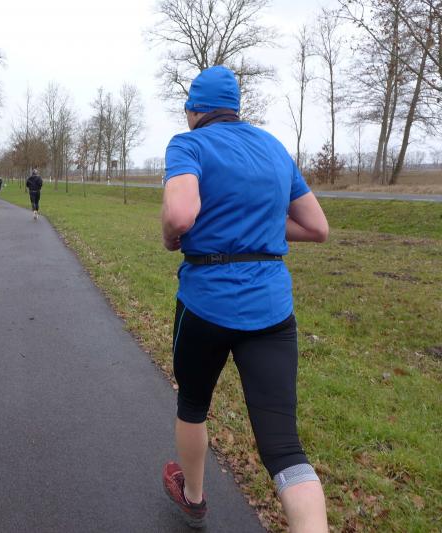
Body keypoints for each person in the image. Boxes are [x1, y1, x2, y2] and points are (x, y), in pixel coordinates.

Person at [159, 66, 329, 532]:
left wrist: (170, 236)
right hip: (272, 310)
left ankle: (194, 497)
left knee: (193, 404)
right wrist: (263, 231)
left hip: (205, 304)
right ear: (235, 107)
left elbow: (180, 213)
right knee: (284, 447)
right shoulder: (273, 148)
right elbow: (317, 227)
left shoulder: (188, 144)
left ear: (194, 109)